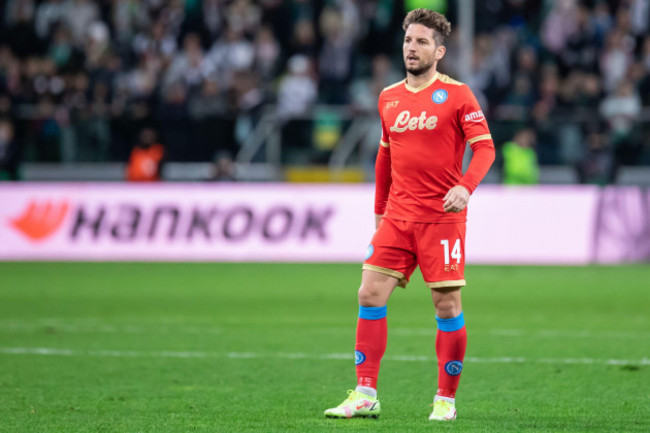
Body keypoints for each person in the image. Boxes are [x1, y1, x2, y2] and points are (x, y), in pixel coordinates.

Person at [324, 9, 495, 421]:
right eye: (407, 41)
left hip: (441, 219)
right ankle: (365, 393)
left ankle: (445, 399)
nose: (412, 48)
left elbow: (485, 148)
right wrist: (379, 212)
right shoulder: (388, 97)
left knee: (447, 305)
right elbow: (384, 159)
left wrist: (464, 187)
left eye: (421, 42)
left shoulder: (458, 94)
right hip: (398, 216)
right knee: (368, 293)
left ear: (439, 51)